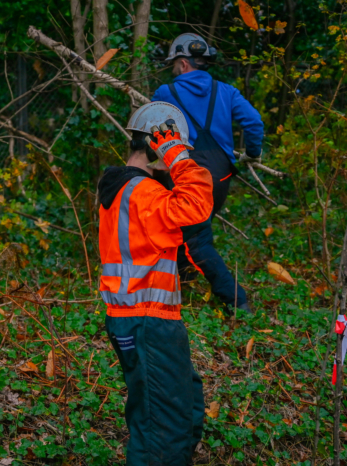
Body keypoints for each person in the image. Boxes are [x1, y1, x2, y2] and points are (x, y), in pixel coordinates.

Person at [98, 101, 213, 466]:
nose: (169, 162)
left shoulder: (126, 190)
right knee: (163, 428)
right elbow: (197, 203)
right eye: (165, 151)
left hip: (140, 319)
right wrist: (178, 155)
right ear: (156, 145)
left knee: (180, 404)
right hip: (147, 321)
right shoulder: (142, 193)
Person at [151, 33, 264, 312]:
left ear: (184, 63)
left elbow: (150, 131)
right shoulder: (226, 91)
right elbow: (254, 122)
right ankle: (182, 281)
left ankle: (236, 301)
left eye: (175, 64)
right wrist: (252, 153)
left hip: (187, 176)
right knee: (183, 230)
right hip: (221, 177)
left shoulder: (166, 93)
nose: (173, 70)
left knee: (196, 242)